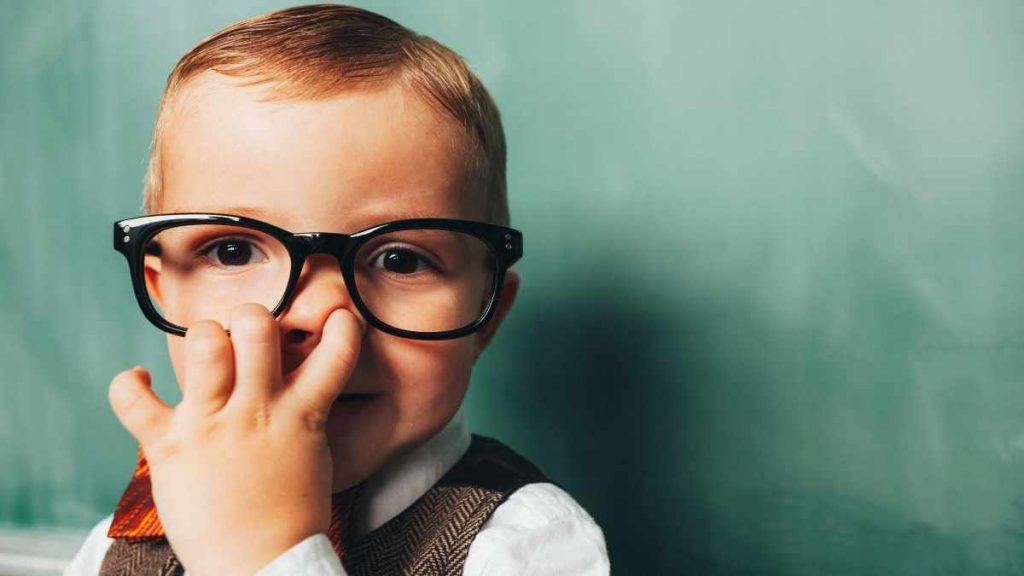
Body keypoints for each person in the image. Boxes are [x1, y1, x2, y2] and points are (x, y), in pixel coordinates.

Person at [63, 4, 609, 575]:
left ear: (487, 314)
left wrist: (266, 555)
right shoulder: (117, 546)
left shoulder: (530, 544)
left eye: (399, 259)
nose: (323, 314)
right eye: (234, 250)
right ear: (164, 292)